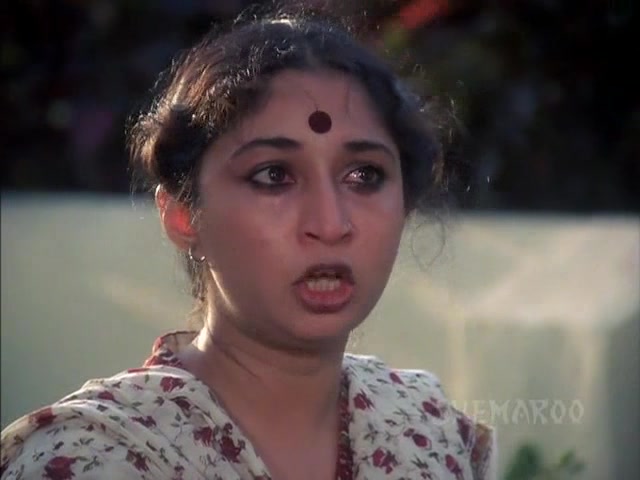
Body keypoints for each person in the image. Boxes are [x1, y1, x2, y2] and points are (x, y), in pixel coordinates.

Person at [1, 10, 496, 480]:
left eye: (364, 175)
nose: (330, 223)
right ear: (181, 214)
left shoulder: (428, 433)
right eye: (274, 175)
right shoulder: (94, 457)